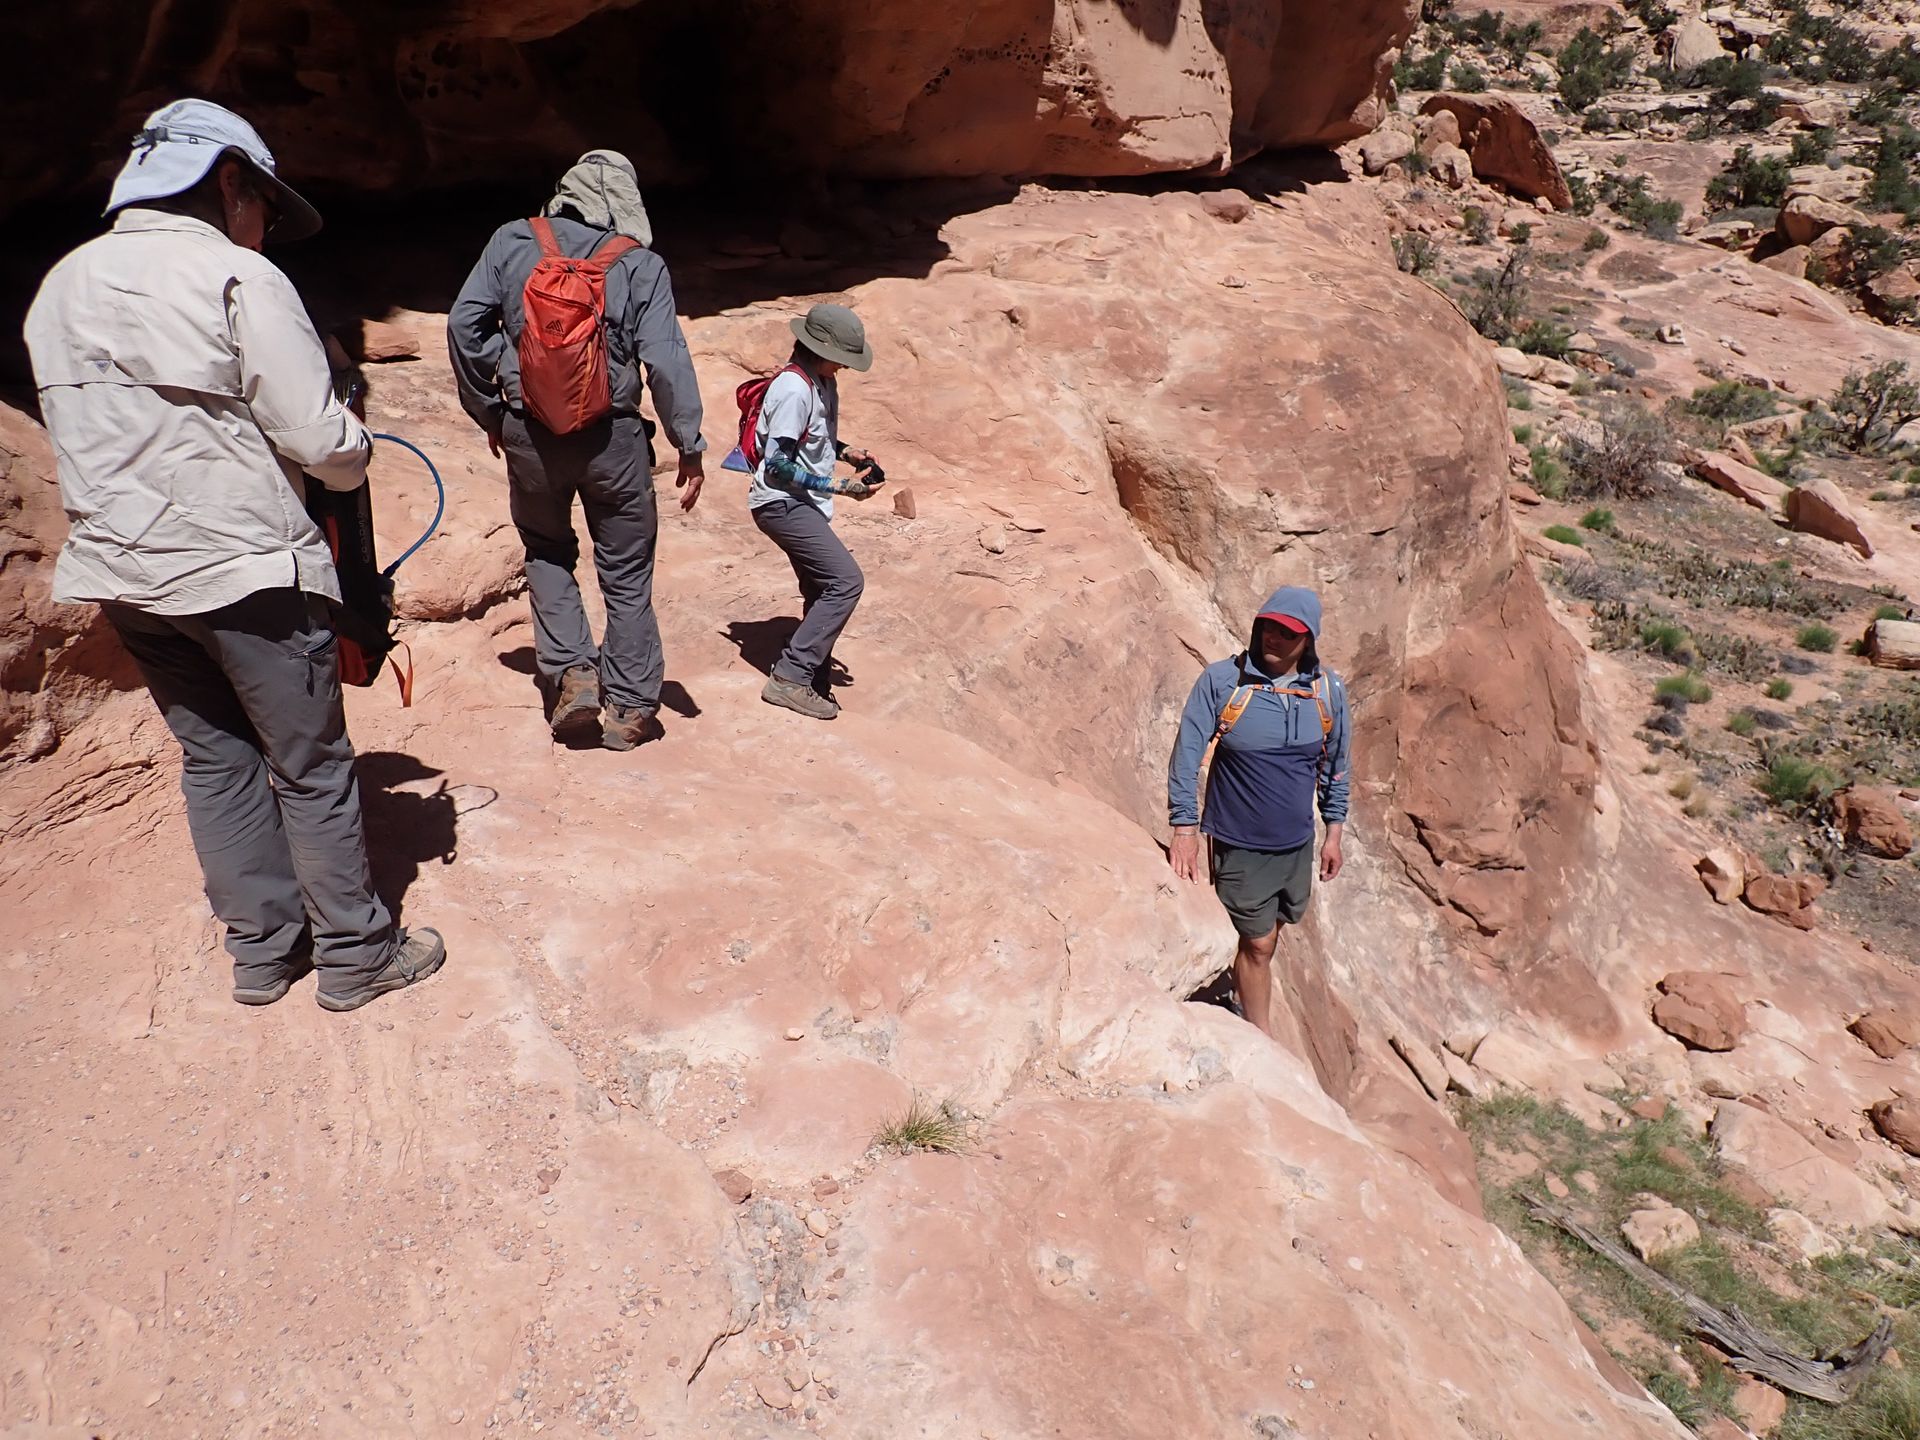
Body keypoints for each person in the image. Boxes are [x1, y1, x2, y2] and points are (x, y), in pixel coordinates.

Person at [23, 99, 444, 1013]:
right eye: (266, 207)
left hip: (127, 575)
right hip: (245, 569)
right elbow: (322, 445)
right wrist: (358, 440)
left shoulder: (63, 285)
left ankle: (262, 952)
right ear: (227, 182)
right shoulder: (234, 278)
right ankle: (357, 953)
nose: (266, 230)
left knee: (215, 760)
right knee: (311, 763)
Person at [448, 149, 706, 751]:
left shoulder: (513, 241)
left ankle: (572, 674)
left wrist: (496, 400)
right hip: (612, 438)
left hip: (530, 433)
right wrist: (687, 443)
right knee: (626, 571)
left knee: (545, 550)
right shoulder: (641, 264)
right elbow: (666, 360)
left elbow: (465, 325)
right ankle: (631, 708)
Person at [1165, 586, 1351, 1038]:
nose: (1274, 638)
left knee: (1273, 932)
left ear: (1308, 639)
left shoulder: (1328, 692)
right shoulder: (1223, 682)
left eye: (1288, 633)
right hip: (1239, 843)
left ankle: (1243, 999)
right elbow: (1187, 755)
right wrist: (1184, 827)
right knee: (1260, 943)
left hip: (1295, 845)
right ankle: (1259, 1035)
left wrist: (1334, 831)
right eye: (1268, 627)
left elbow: (1336, 765)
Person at [748, 303, 884, 720]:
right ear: (817, 348)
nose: (843, 368)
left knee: (822, 587)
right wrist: (840, 486)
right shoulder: (792, 389)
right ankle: (789, 677)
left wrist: (848, 453)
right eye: (840, 359)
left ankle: (812, 679)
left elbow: (815, 439)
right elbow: (778, 463)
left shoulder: (819, 382)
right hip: (781, 503)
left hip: (802, 503)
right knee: (846, 582)